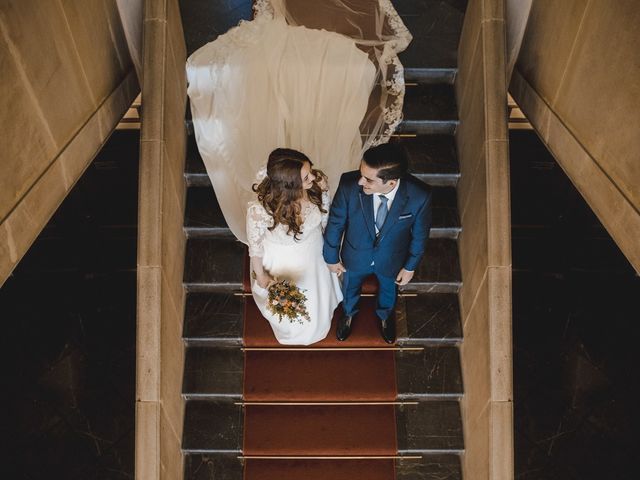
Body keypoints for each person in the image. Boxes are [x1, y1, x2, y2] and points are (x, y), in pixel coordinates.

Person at [323, 143, 432, 344]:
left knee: (389, 288)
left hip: (391, 258)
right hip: (355, 254)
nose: (360, 181)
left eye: (368, 179)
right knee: (350, 286)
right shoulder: (348, 185)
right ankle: (348, 313)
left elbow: (419, 235)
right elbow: (335, 222)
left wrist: (410, 267)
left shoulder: (420, 196)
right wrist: (330, 256)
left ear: (391, 183)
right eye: (361, 173)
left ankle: (385, 315)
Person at [247, 148, 343, 345]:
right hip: (283, 263)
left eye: (310, 171)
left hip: (314, 255)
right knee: (291, 303)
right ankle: (294, 331)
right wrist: (262, 276)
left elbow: (325, 219)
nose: (313, 178)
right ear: (289, 185)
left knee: (317, 300)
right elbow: (255, 249)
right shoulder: (260, 210)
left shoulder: (314, 188)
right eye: (306, 177)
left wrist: (324, 192)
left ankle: (318, 323)